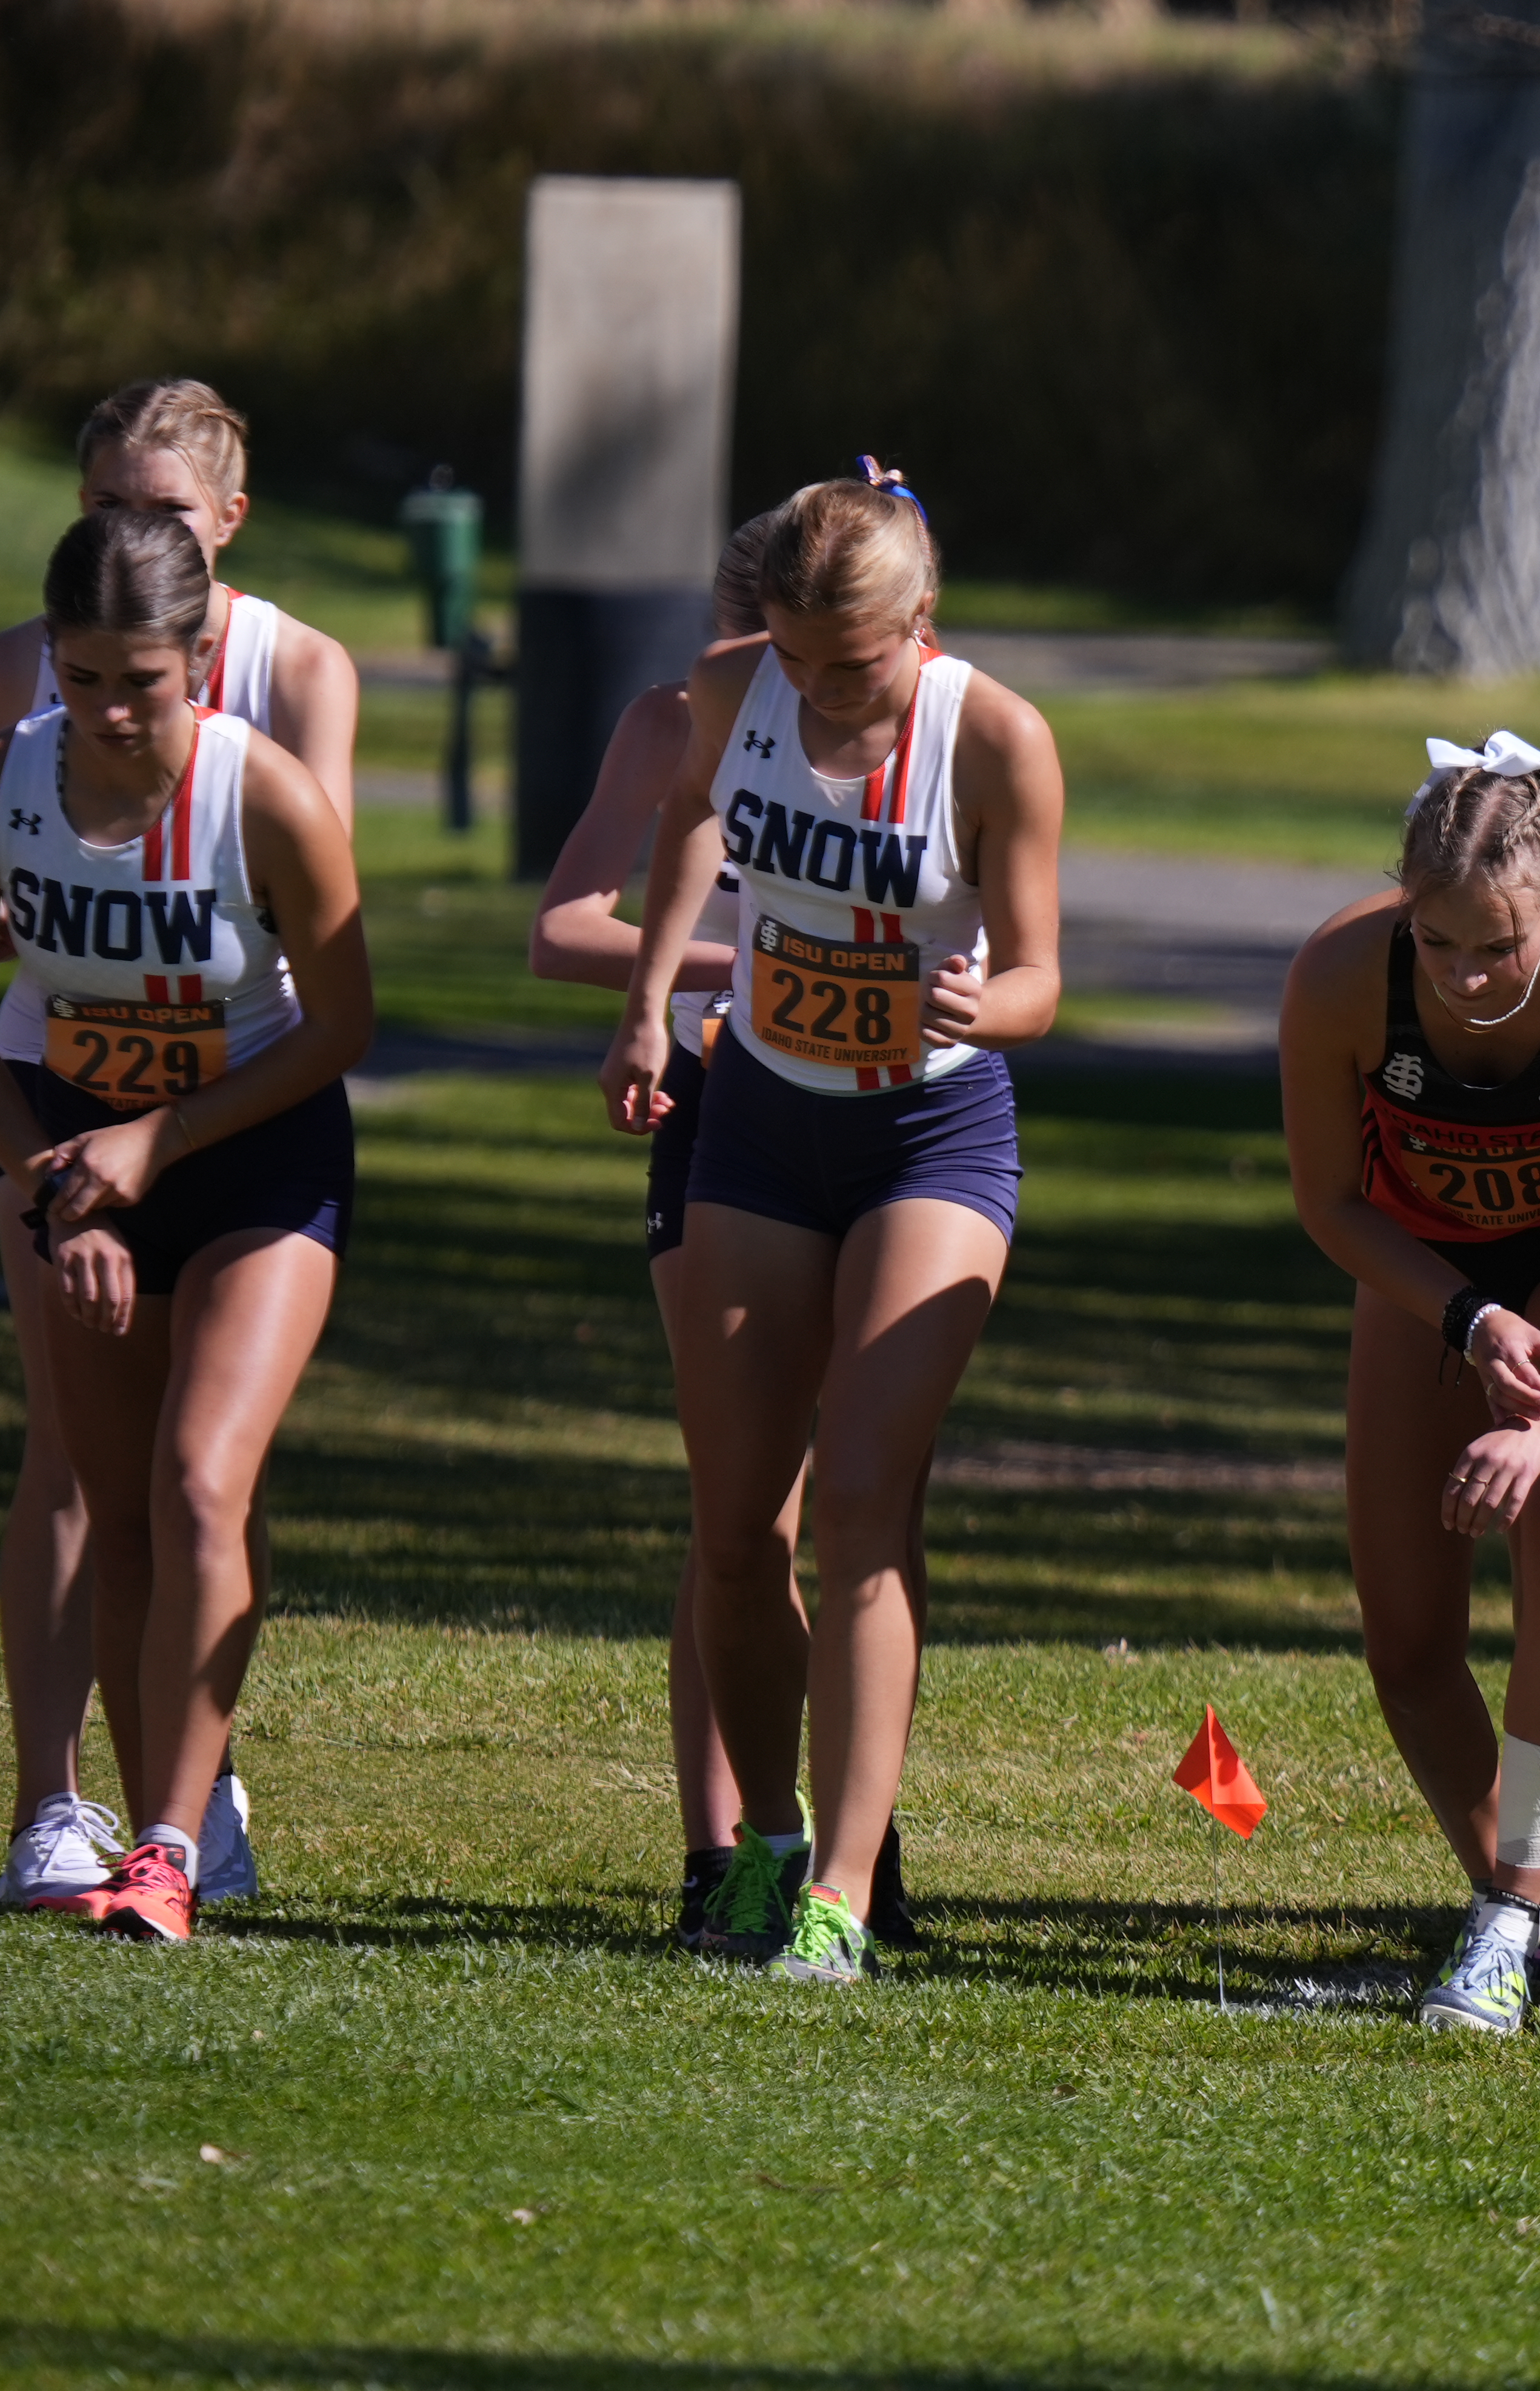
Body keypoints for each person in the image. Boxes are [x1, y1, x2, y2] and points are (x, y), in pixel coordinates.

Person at [601, 472, 1067, 1987]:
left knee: (866, 1492)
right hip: (758, 1120)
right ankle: (769, 1839)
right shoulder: (732, 683)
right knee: (739, 1526)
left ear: (918, 622)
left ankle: (847, 1893)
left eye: (848, 661)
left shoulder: (993, 737)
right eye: (795, 654)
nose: (813, 686)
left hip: (930, 1129)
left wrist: (976, 997)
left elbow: (1043, 982)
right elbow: (683, 822)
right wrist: (652, 1005)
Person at [0, 510, 372, 1942]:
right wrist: (61, 1189)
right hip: (74, 1162)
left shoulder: (270, 797)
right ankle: (133, 1826)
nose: (113, 710)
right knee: (116, 1516)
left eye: (145, 679)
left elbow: (344, 1021)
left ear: (202, 660)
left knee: (195, 1480)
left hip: (255, 1158)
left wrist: (159, 1140)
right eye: (84, 676)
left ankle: (177, 1843)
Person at [1278, 737, 1540, 2036]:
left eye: (1500, 943)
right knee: (1410, 1636)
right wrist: (1469, 1323)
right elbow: (1330, 1201)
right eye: (1440, 939)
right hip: (1431, 1281)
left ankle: (1518, 1914)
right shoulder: (1344, 976)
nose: (1467, 974)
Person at [533, 507, 921, 1952]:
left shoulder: (915, 715)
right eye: (758, 635)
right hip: (720, 1095)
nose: (778, 670)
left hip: (883, 1107)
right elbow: (563, 922)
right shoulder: (677, 713)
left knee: (875, 1489)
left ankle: (856, 1849)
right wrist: (743, 954)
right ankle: (724, 1846)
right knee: (742, 1497)